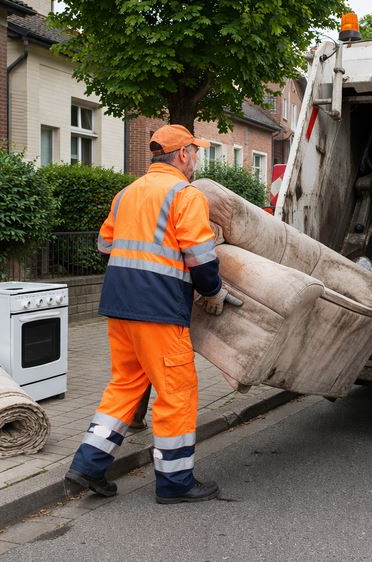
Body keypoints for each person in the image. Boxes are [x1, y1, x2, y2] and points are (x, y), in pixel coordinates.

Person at [65, 124, 242, 504]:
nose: (196, 159)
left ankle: (89, 464)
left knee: (125, 384)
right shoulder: (185, 195)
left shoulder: (126, 193)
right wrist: (213, 291)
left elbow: (105, 246)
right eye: (195, 152)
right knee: (177, 391)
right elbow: (200, 257)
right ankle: (175, 482)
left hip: (119, 305)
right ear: (182, 155)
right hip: (159, 309)